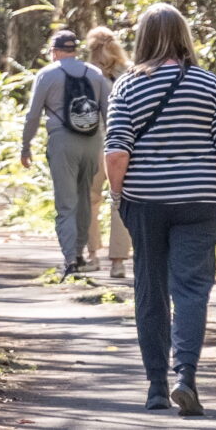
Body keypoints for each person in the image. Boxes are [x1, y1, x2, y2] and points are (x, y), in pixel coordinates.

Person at [106, 3, 216, 418]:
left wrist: (118, 196)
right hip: (202, 199)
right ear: (185, 37)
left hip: (145, 200)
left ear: (143, 38)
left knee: (149, 289)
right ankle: (186, 375)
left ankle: (155, 387)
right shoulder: (210, 85)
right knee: (191, 289)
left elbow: (116, 151)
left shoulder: (128, 87)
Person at [21, 28, 112, 274]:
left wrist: (25, 146)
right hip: (93, 142)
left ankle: (70, 258)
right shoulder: (95, 73)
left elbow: (33, 115)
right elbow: (108, 112)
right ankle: (80, 252)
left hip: (62, 141)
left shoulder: (47, 74)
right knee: (84, 197)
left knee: (66, 201)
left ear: (56, 51)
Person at [85, 26, 134, 279]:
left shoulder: (85, 76)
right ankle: (118, 262)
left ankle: (92, 255)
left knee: (91, 199)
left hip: (92, 142)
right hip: (122, 144)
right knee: (119, 200)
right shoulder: (131, 73)